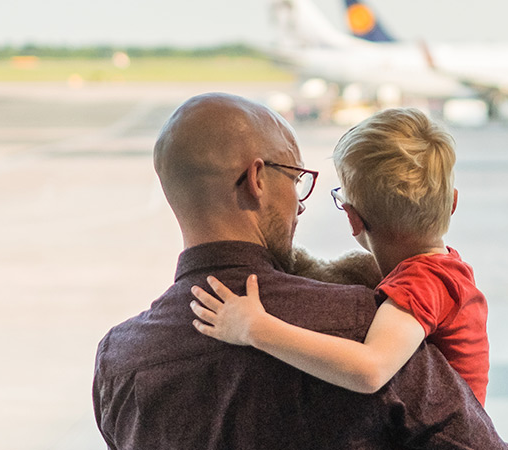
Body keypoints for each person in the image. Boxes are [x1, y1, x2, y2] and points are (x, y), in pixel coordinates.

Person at [92, 93, 508, 449]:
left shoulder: (119, 363)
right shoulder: (364, 323)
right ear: (256, 179)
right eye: (296, 177)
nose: (301, 202)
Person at [190, 108, 491, 405]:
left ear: (353, 218)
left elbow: (370, 370)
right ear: (452, 202)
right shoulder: (448, 269)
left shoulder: (423, 282)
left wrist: (254, 328)